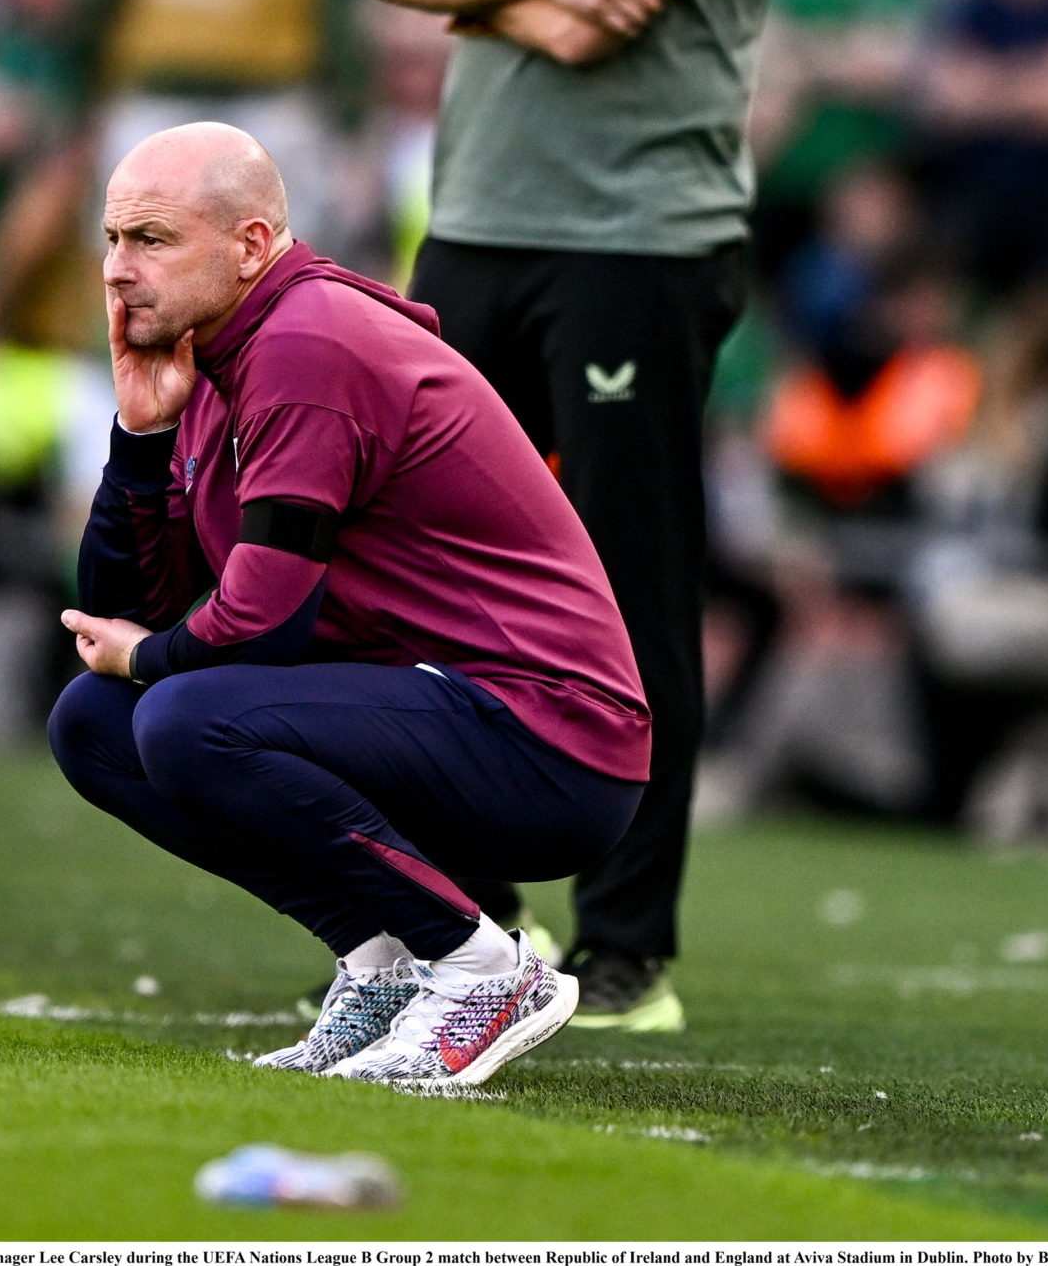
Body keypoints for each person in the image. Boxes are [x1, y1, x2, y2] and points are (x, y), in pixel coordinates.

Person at [370, 0, 794, 1030]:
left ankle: (627, 953)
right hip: (474, 218)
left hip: (635, 243)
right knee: (423, 578)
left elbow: (601, 18)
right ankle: (463, 925)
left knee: (623, 589)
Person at [48, 122, 649, 1089]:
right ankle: (382, 961)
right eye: (113, 240)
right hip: (433, 708)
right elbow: (116, 612)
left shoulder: (305, 342)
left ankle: (481, 969)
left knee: (182, 715)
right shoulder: (217, 356)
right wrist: (141, 438)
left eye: (152, 240)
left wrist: (147, 659)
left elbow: (261, 622)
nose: (118, 271)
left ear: (250, 245)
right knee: (96, 724)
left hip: (552, 738)